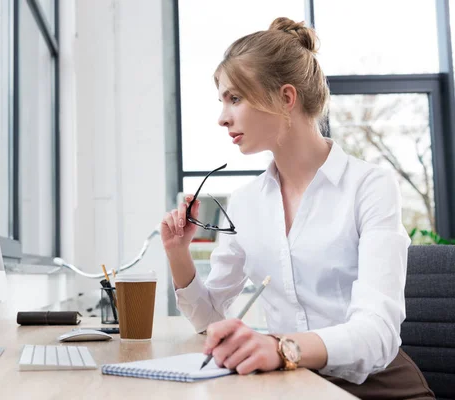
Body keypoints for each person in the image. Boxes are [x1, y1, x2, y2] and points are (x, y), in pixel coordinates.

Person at [161, 17, 435, 399]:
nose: (222, 118)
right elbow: (209, 321)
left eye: (234, 98)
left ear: (286, 98)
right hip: (294, 384)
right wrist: (178, 255)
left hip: (375, 386)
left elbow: (378, 333)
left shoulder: (369, 186)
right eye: (222, 101)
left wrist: (281, 347)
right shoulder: (245, 203)